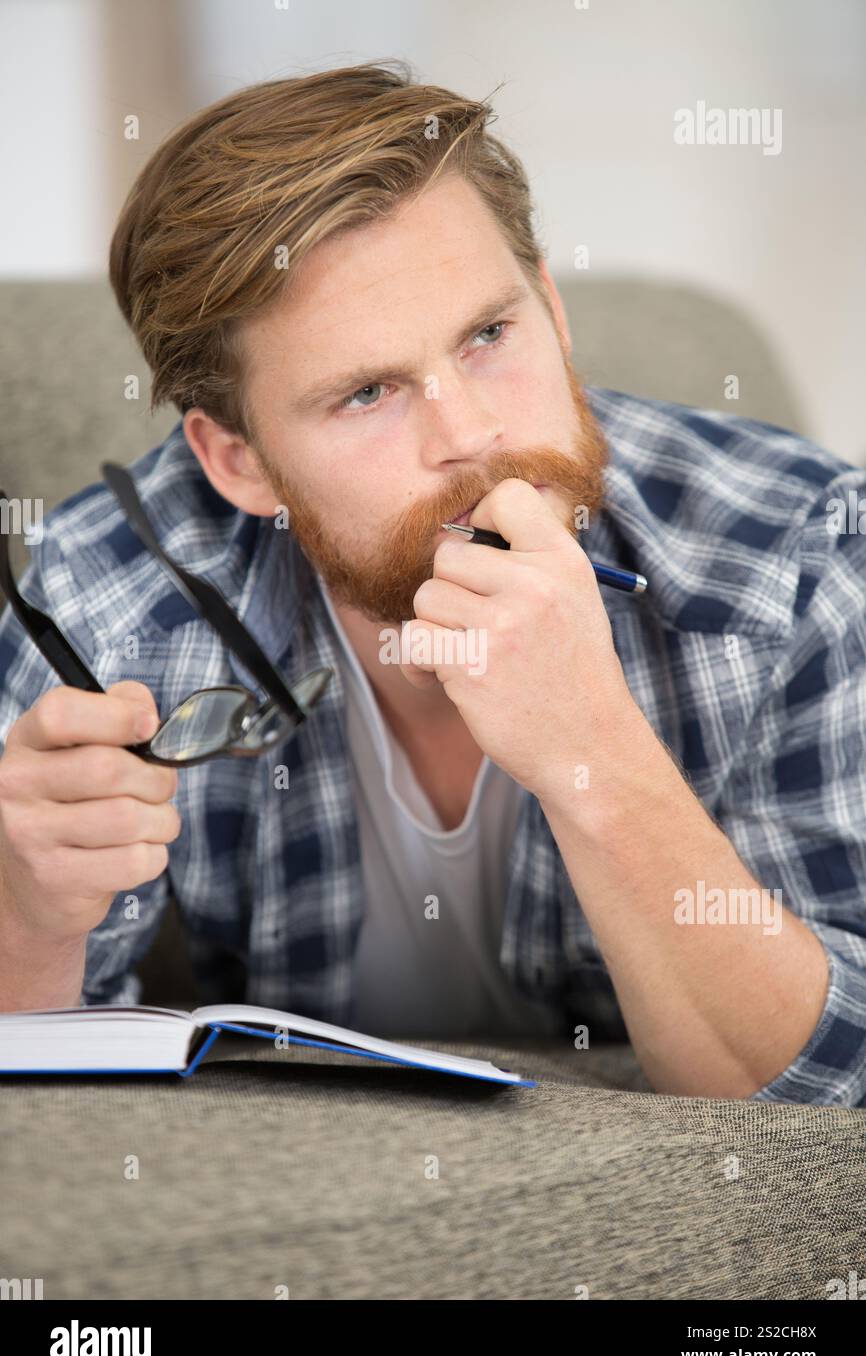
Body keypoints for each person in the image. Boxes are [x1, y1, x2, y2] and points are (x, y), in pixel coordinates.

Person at [1, 61, 864, 1106]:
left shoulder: (794, 551)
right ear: (239, 461)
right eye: (365, 392)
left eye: (489, 335)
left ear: (549, 304)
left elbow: (828, 1097)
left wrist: (590, 745)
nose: (471, 438)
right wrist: (29, 912)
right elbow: (42, 1104)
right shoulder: (109, 592)